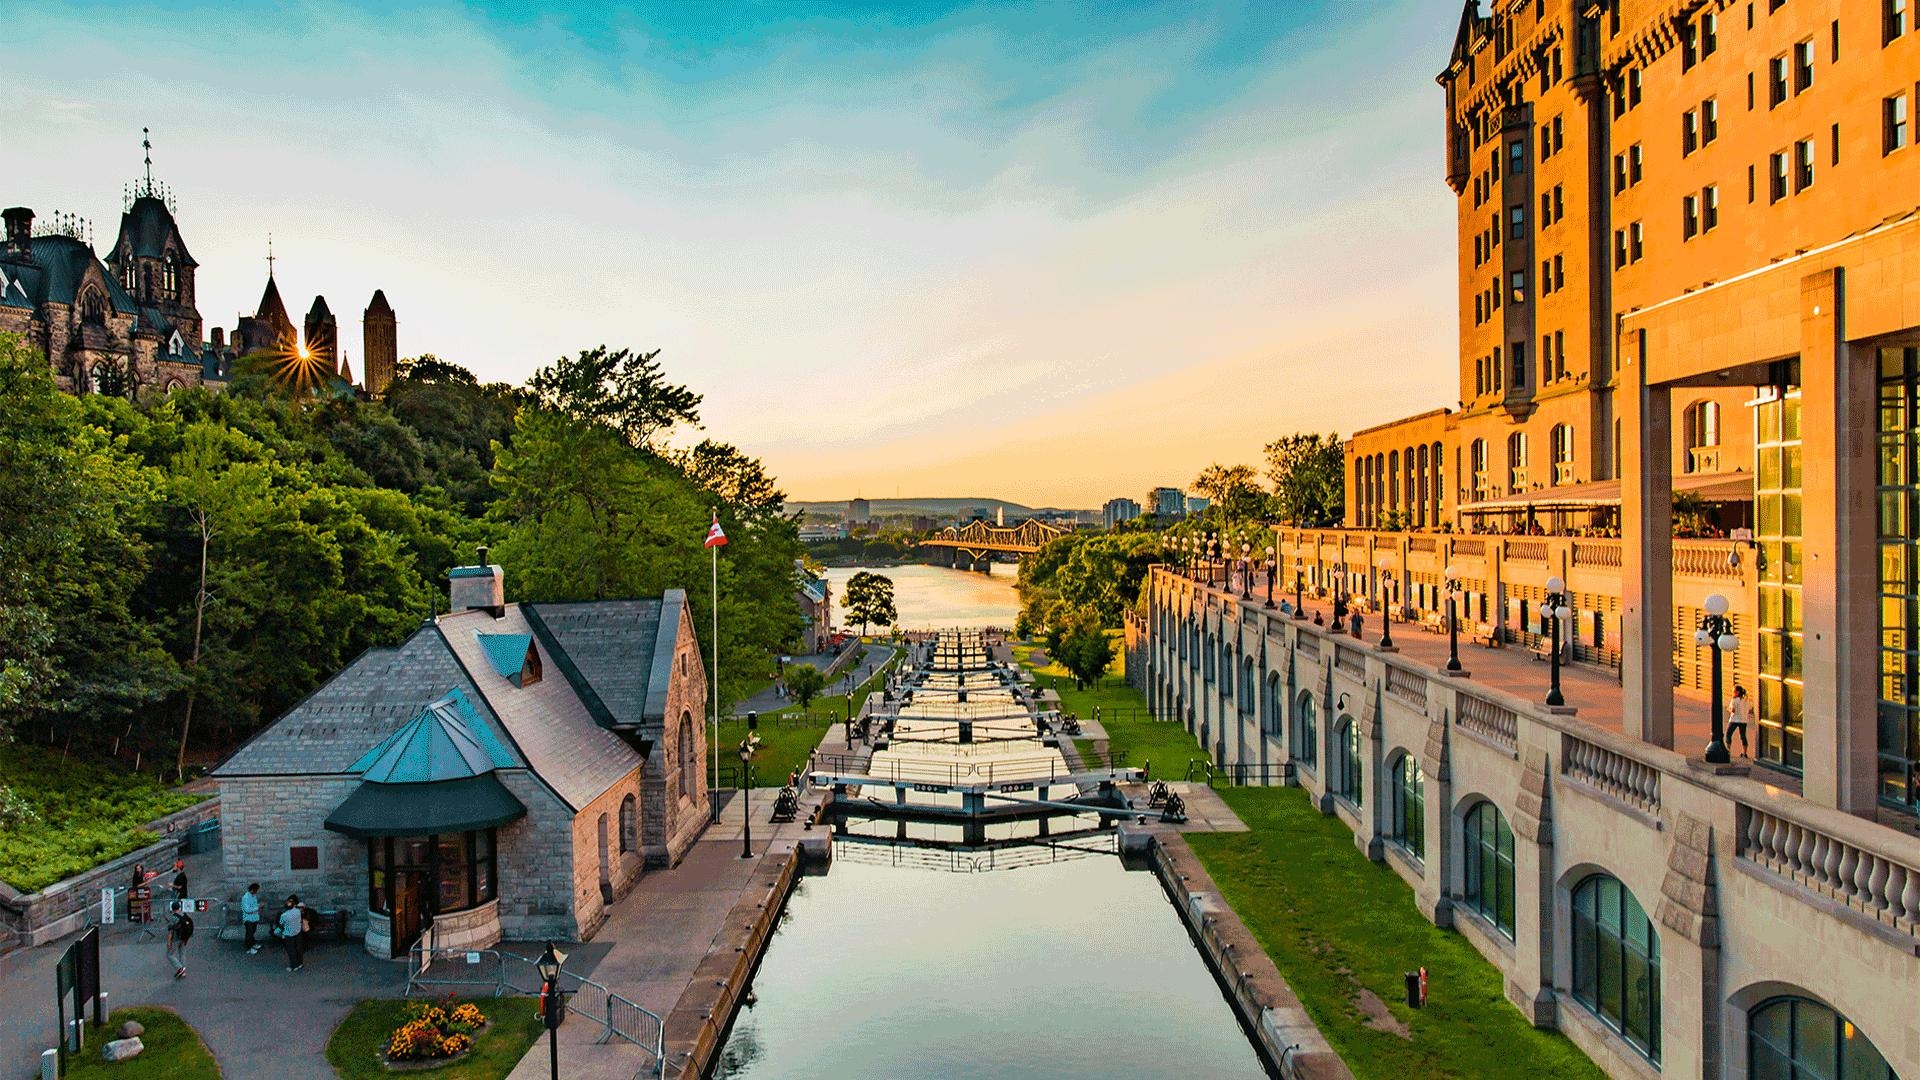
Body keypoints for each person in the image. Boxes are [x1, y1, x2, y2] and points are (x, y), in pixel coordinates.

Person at [278, 895, 305, 972]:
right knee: (298, 948)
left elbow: (281, 924)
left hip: (289, 934)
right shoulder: (297, 911)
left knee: (291, 950)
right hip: (297, 932)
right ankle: (300, 963)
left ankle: (294, 966)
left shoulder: (284, 915)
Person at [165, 904, 194, 979]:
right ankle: (183, 971)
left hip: (176, 938)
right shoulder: (184, 915)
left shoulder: (173, 917)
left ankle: (180, 968)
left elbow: (170, 931)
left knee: (169, 954)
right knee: (182, 953)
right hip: (184, 938)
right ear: (179, 908)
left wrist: (168, 942)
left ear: (172, 908)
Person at [1726, 684, 1753, 757]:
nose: (1733, 693)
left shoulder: (1734, 700)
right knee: (1743, 736)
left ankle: (1728, 751)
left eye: (1734, 691)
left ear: (1737, 692)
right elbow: (1750, 709)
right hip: (1743, 720)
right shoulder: (1746, 700)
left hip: (1734, 719)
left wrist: (1728, 709)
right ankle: (1745, 753)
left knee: (1728, 734)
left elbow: (1733, 710)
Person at [240, 883, 262, 954]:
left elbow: (254, 905)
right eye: (256, 890)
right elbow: (247, 910)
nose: (257, 891)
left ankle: (253, 944)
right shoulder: (246, 897)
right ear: (252, 889)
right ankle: (249, 948)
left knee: (252, 932)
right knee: (249, 934)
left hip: (254, 918)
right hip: (248, 919)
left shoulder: (253, 895)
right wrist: (258, 907)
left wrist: (259, 905)